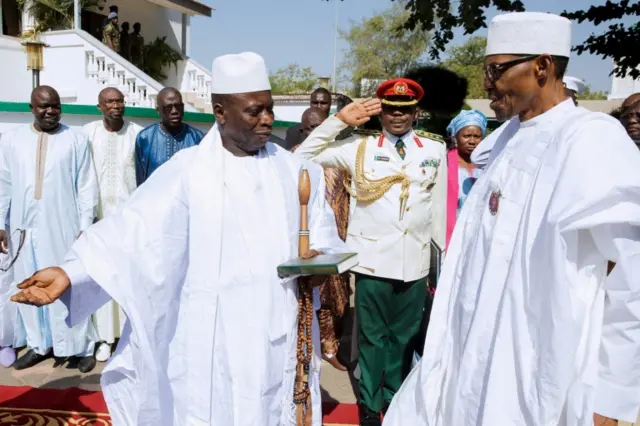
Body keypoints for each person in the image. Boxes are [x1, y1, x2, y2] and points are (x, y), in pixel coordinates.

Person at [11, 52, 347, 426]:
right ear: (220, 112)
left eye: (269, 108)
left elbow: (323, 237)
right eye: (254, 111)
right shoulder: (188, 173)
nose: (267, 119)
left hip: (276, 327)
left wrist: (320, 264)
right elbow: (131, 231)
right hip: (212, 334)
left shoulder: (298, 172)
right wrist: (71, 273)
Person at [383, 12, 640, 426]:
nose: (487, 82)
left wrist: (612, 398)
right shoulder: (504, 141)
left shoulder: (590, 139)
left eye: (496, 69)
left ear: (542, 66)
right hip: (472, 362)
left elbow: (631, 281)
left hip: (539, 369)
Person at [295, 78, 447, 425]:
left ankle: (395, 402)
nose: (397, 116)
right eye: (391, 109)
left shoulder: (433, 150)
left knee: (404, 339)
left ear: (415, 113)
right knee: (372, 339)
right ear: (381, 112)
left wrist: (441, 261)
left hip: (416, 263)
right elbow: (304, 156)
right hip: (374, 264)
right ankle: (368, 406)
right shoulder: (357, 148)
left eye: (405, 110)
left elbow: (436, 212)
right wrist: (340, 121)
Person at [0, 86, 98, 372]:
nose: (50, 111)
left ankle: (81, 348)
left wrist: (84, 226)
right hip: (22, 227)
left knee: (67, 285)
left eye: (55, 106)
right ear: (31, 107)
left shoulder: (76, 140)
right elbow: (3, 184)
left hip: (63, 225)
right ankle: (39, 345)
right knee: (29, 284)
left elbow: (86, 187)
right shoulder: (11, 141)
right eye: (43, 106)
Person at [82, 87, 142, 362]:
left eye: (119, 101)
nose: (115, 105)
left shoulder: (137, 133)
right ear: (99, 106)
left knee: (128, 278)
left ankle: (129, 337)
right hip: (98, 220)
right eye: (109, 102)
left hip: (129, 222)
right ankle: (105, 339)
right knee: (102, 278)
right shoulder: (87, 134)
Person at [291, 107, 350, 372]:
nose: (314, 132)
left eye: (319, 127)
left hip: (337, 237)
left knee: (337, 299)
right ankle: (322, 348)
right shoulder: (293, 158)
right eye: (309, 128)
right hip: (308, 242)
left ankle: (332, 347)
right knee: (312, 298)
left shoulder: (340, 156)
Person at [135, 87, 204, 185]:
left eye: (178, 106)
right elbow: (140, 181)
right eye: (168, 108)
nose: (174, 111)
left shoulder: (197, 138)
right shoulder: (145, 138)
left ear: (183, 108)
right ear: (158, 111)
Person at [444, 109, 487, 247]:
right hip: (452, 231)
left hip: (479, 232)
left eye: (477, 136)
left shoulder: (488, 164)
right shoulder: (444, 162)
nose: (472, 141)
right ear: (455, 137)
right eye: (467, 136)